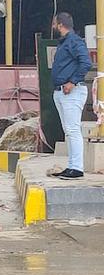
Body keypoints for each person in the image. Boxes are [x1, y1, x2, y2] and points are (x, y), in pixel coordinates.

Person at [51, 12, 92, 179]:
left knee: (73, 130)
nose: (53, 26)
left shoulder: (74, 41)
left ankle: (77, 168)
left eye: (54, 23)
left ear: (60, 24)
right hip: (62, 92)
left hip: (71, 92)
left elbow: (86, 63)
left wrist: (72, 82)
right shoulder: (65, 43)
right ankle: (71, 166)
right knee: (68, 131)